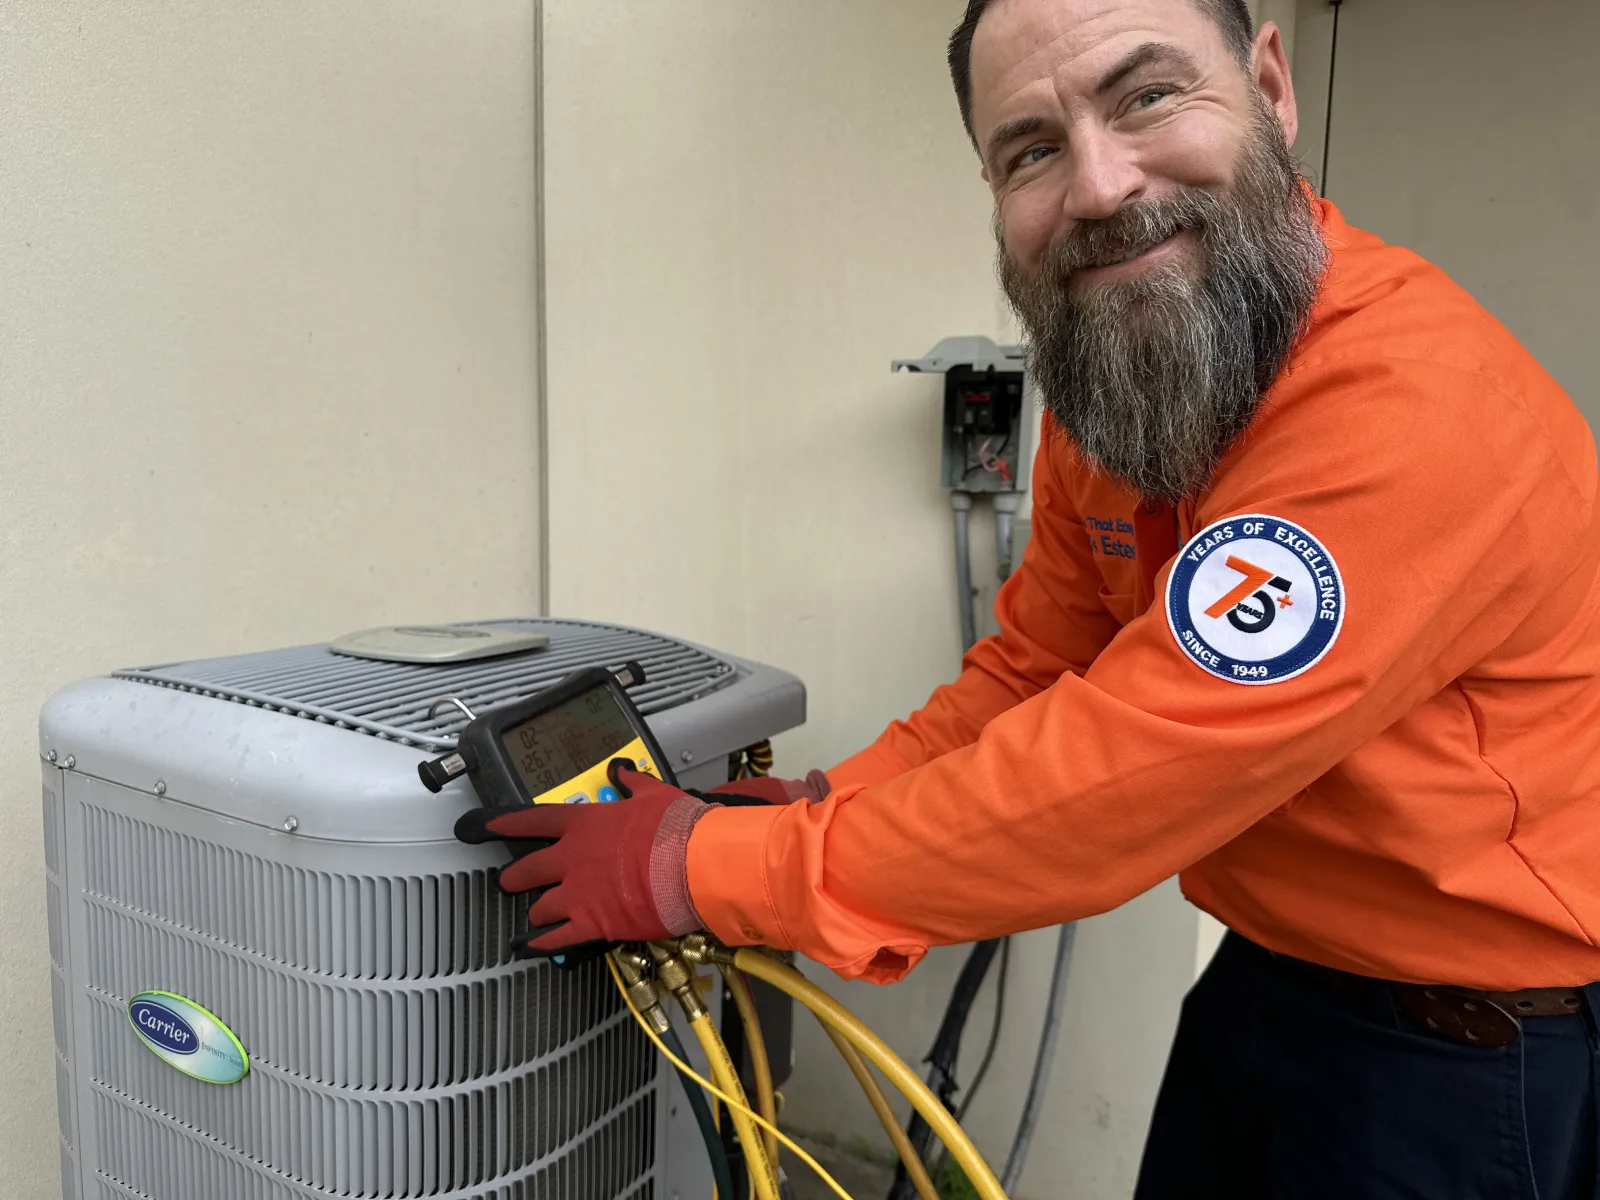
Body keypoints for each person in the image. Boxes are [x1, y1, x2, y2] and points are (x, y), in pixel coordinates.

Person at [459, 1, 1600, 1194]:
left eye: (1146, 96)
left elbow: (1122, 775)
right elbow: (1033, 673)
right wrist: (823, 803)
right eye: (1032, 149)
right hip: (1272, 973)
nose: (1099, 187)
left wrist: (699, 870)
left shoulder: (1409, 409)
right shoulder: (1134, 377)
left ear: (1270, 85)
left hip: (1467, 1047)